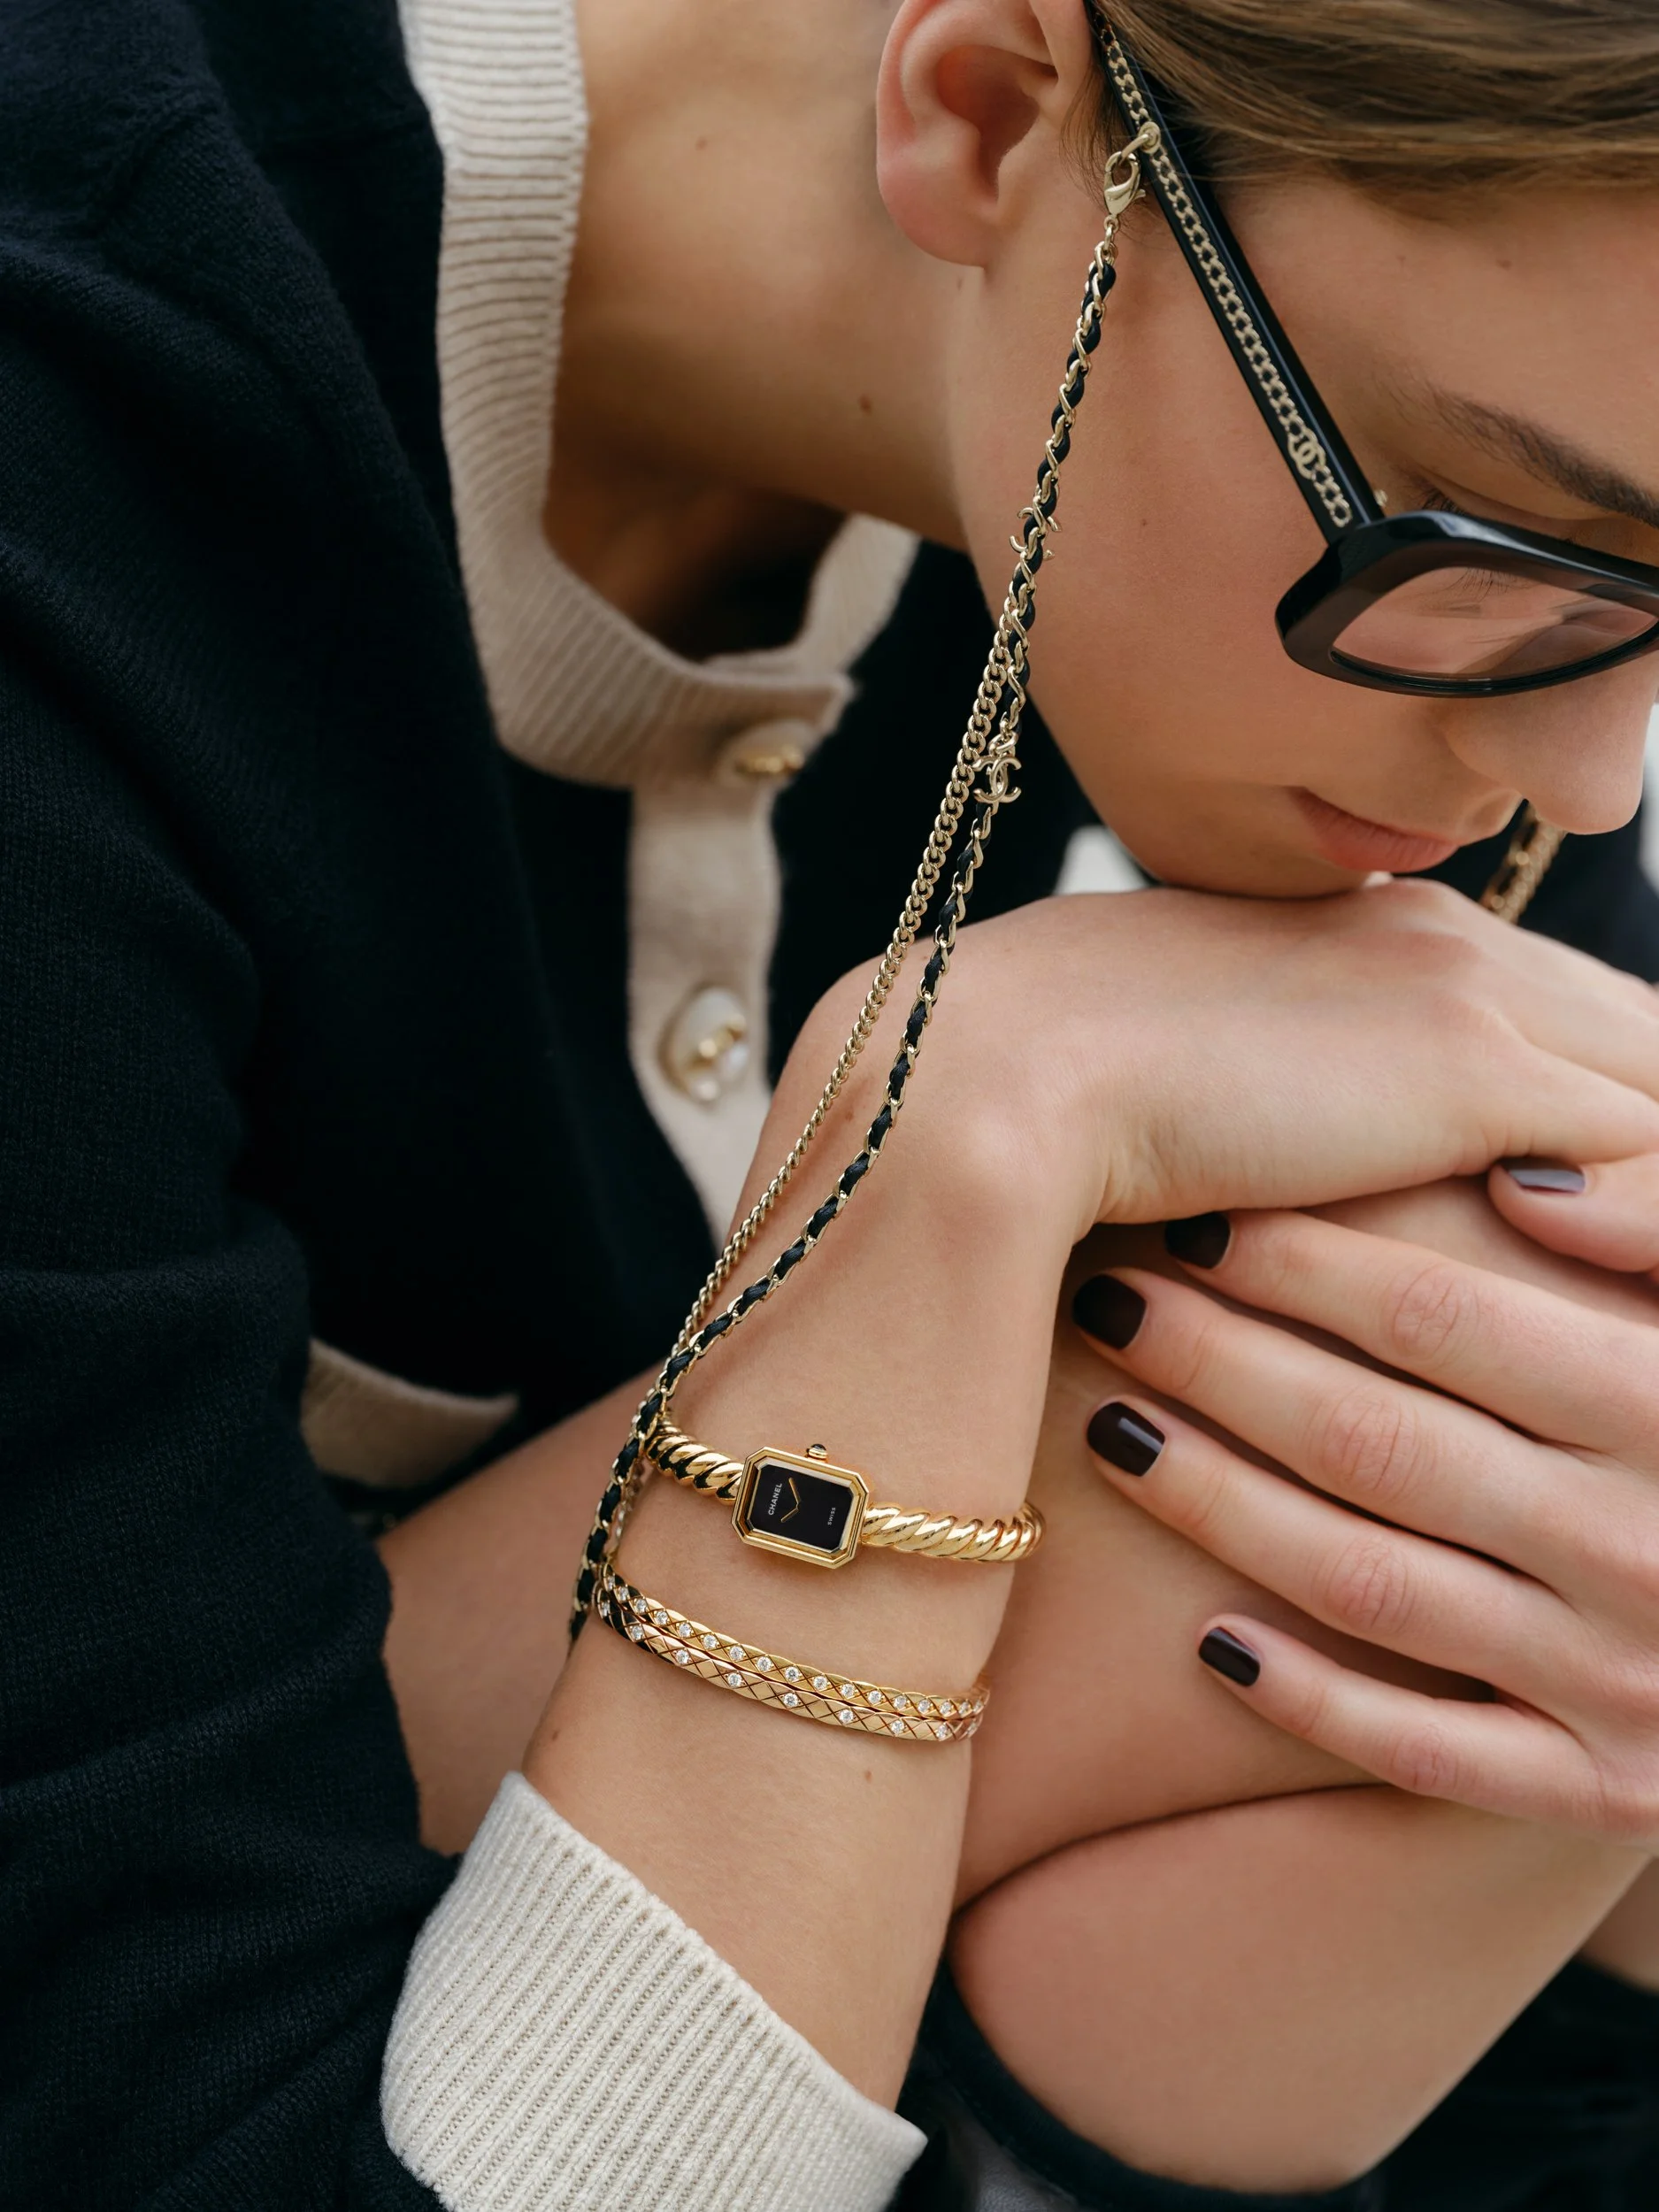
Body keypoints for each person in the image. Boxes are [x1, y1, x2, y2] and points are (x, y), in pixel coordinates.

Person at [6, 4, 1659, 2211]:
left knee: (1532, 1393)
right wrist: (943, 1183)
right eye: (1502, 543)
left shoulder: (1401, 553)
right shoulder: (76, 453)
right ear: (985, 109)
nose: (1591, 784)